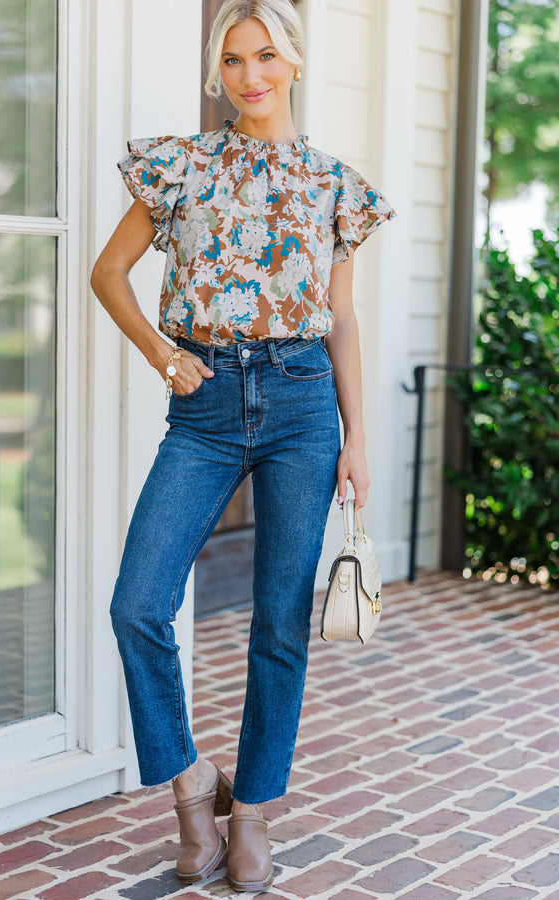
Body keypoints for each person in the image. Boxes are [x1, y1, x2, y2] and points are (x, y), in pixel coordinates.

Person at [90, 0, 395, 891]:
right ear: (217, 71)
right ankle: (192, 790)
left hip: (304, 406)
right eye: (232, 59)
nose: (249, 75)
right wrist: (161, 352)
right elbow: (108, 272)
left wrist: (357, 438)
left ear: (293, 62)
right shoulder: (181, 166)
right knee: (138, 604)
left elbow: (340, 319)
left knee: (278, 625)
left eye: (265, 56)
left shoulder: (336, 186)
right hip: (207, 404)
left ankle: (253, 813)